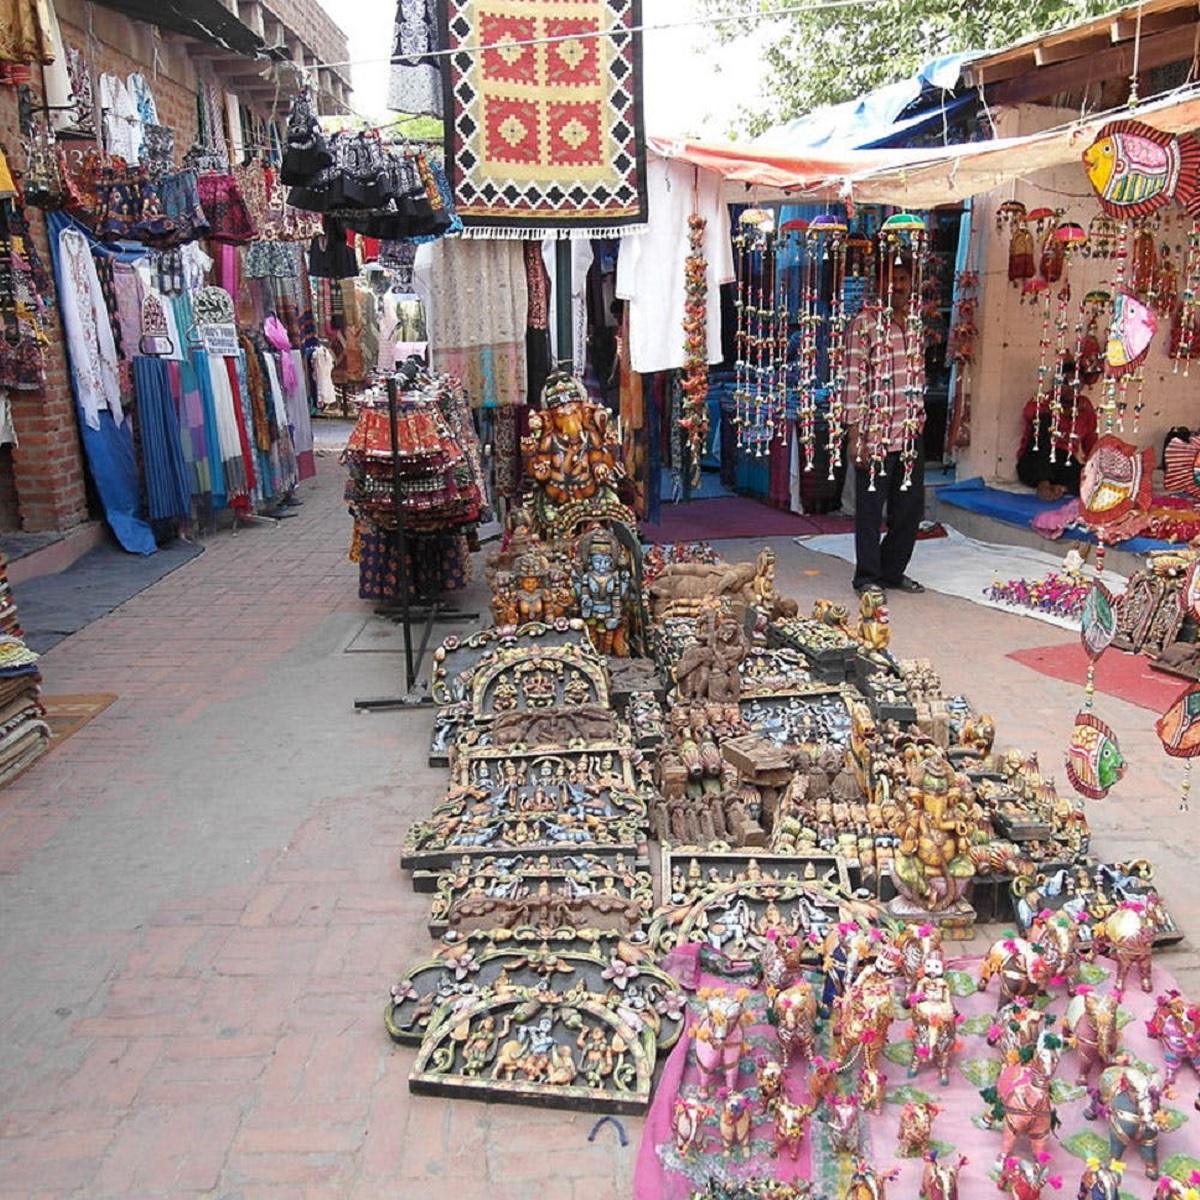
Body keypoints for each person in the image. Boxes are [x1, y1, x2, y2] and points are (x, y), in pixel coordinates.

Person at [844, 260, 926, 596]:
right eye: (894, 280)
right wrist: (853, 437)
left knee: (909, 510)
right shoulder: (864, 323)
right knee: (869, 511)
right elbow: (851, 380)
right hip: (874, 435)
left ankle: (892, 571)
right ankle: (866, 577)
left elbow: (918, 376)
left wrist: (920, 417)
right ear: (880, 284)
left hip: (908, 433)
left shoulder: (915, 323)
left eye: (905, 279)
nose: (901, 286)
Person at [1015, 361, 1099, 500]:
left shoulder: (1084, 407)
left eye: (1076, 384)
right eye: (1066, 382)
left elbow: (1091, 442)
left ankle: (1060, 488)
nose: (1071, 388)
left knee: (1090, 479)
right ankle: (1043, 484)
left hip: (1062, 461)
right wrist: (1055, 408)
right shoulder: (1046, 398)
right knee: (1045, 421)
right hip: (1036, 460)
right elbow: (1029, 413)